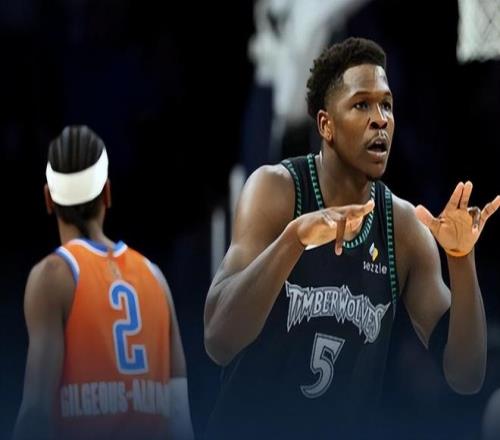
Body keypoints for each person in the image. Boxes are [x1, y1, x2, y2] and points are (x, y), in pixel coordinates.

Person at [203, 37, 500, 439]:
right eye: (362, 105)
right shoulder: (276, 191)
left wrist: (461, 259)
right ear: (326, 125)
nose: (380, 119)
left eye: (386, 105)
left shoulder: (404, 228)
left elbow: (466, 376)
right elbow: (218, 340)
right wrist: (294, 239)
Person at [12, 126, 194, 440]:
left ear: (48, 199)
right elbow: (180, 422)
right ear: (107, 193)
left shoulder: (53, 276)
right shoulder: (155, 277)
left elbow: (35, 413)